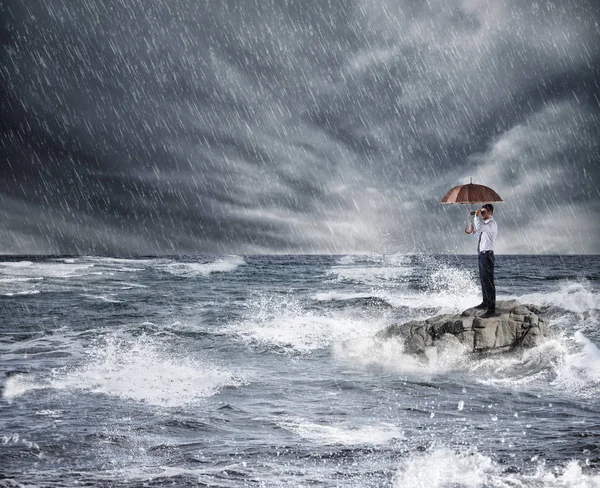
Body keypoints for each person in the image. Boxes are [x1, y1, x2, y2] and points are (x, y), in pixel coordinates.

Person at [469, 203, 497, 318]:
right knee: (483, 280)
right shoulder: (486, 225)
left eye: (483, 212)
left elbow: (479, 227)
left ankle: (491, 309)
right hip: (482, 255)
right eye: (481, 212)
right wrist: (473, 232)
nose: (481, 214)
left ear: (491, 213)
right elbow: (481, 238)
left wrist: (475, 217)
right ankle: (485, 302)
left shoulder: (492, 224)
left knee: (489, 282)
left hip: (487, 255)